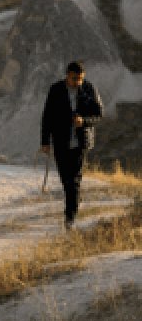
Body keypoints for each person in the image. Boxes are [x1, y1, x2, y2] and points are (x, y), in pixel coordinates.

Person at [40, 61, 104, 231]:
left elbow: (99, 114)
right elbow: (47, 116)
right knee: (65, 180)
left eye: (81, 79)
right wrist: (45, 141)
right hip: (61, 142)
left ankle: (70, 219)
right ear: (67, 75)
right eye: (75, 78)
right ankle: (74, 202)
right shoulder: (56, 90)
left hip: (81, 143)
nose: (78, 82)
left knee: (73, 181)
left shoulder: (89, 89)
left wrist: (84, 121)